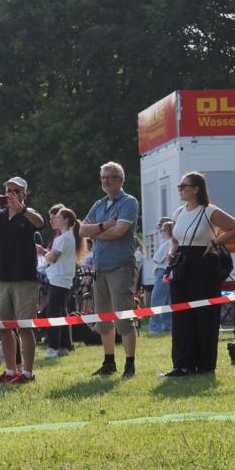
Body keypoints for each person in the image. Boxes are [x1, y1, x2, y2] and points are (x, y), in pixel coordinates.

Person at [163, 172, 235, 377]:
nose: (180, 189)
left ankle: (205, 365)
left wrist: (216, 242)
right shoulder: (179, 212)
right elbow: (175, 238)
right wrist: (171, 251)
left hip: (204, 263)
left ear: (196, 188)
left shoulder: (209, 211)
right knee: (181, 314)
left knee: (204, 314)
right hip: (181, 263)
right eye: (179, 186)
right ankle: (181, 364)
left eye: (183, 186)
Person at [0, 176, 45, 384]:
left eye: (15, 190)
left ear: (23, 194)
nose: (10, 194)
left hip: (24, 279)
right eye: (8, 190)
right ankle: (11, 371)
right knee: (4, 327)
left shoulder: (28, 216)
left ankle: (28, 373)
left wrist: (21, 208)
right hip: (0, 278)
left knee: (25, 327)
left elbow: (40, 223)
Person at [79, 162, 140, 378]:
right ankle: (109, 362)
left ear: (121, 180)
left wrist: (96, 232)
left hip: (120, 267)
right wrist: (105, 226)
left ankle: (130, 364)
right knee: (103, 318)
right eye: (103, 177)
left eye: (111, 177)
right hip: (100, 269)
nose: (106, 180)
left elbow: (120, 232)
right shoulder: (99, 204)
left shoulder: (129, 202)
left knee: (123, 318)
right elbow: (81, 230)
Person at [39, 207, 86, 358]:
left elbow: (52, 257)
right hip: (61, 279)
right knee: (61, 311)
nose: (55, 220)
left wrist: (42, 252)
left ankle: (53, 347)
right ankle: (65, 345)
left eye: (58, 217)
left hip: (58, 279)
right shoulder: (68, 237)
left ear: (65, 220)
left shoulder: (64, 238)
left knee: (54, 314)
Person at [148, 219, 174, 333]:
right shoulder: (169, 242)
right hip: (167, 273)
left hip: (162, 272)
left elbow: (156, 258)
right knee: (167, 301)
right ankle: (167, 326)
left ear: (168, 231)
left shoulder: (167, 243)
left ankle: (154, 327)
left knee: (156, 300)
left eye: (162, 230)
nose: (160, 232)